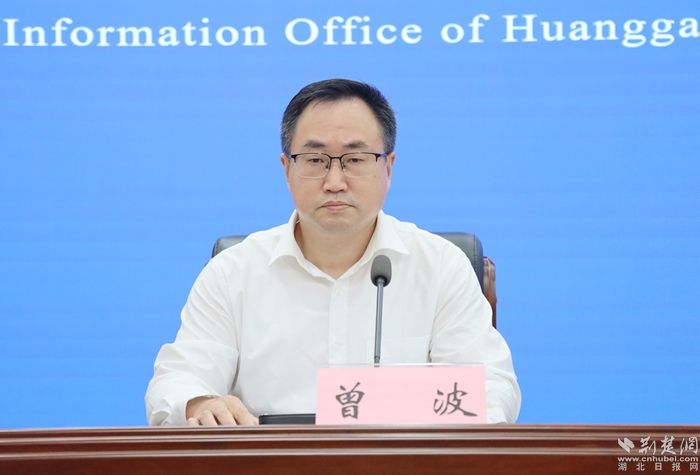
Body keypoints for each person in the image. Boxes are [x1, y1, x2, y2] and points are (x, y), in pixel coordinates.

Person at [145, 79, 521, 426]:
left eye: (355, 160)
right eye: (315, 160)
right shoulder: (233, 272)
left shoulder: (440, 267)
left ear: (388, 168)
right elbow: (177, 380)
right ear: (286, 170)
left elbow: (491, 390)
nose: (335, 181)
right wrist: (199, 403)